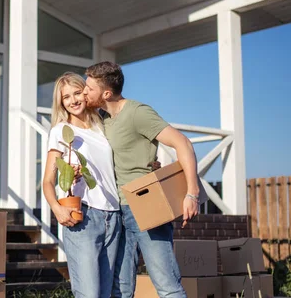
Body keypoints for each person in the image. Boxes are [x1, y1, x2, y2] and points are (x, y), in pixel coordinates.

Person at [83, 61, 200, 298]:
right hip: (116, 210)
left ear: (106, 93)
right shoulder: (102, 117)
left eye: (89, 88)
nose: (84, 92)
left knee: (166, 284)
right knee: (121, 289)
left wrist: (192, 193)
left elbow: (183, 143)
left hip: (146, 205)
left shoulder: (138, 112)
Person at [42, 72, 121, 298]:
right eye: (66, 97)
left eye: (77, 93)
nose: (73, 100)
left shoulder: (103, 128)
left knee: (106, 293)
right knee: (89, 293)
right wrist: (57, 208)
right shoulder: (61, 131)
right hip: (83, 216)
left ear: (86, 94)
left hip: (113, 216)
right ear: (61, 103)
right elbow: (48, 181)